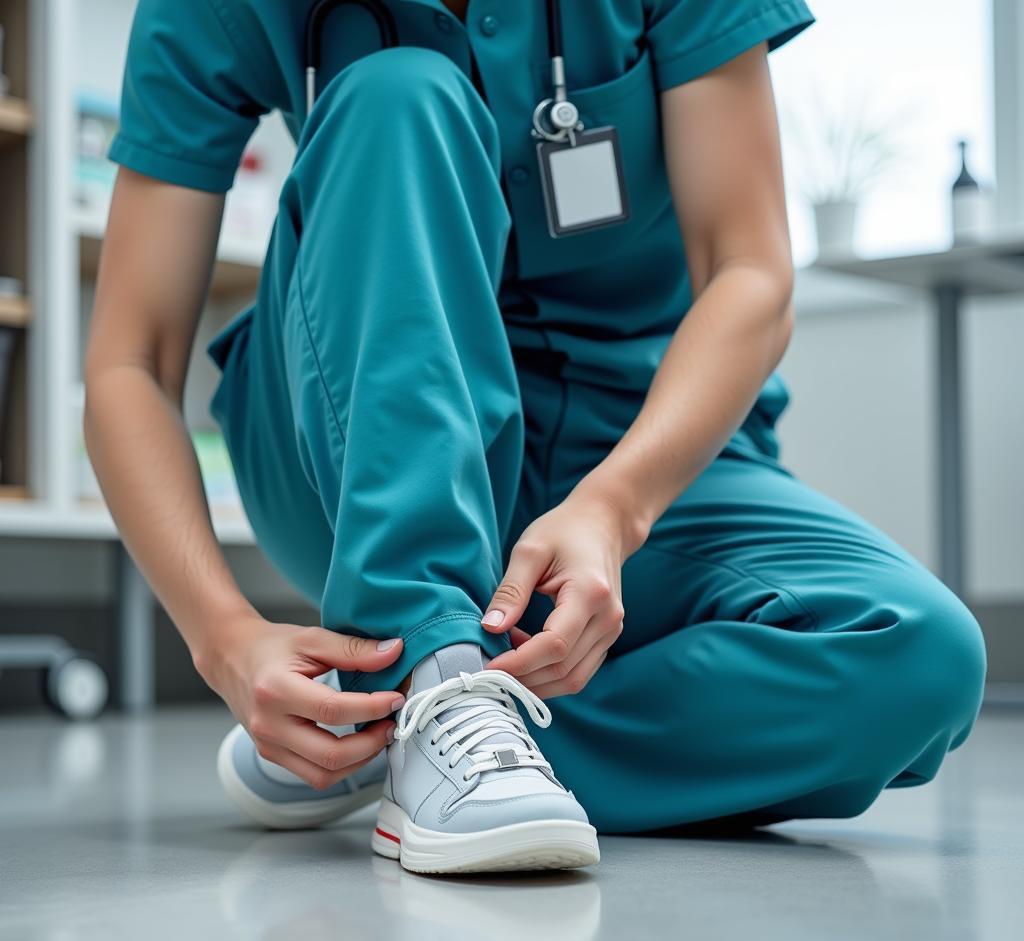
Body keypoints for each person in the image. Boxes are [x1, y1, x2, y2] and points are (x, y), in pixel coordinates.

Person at [84, 0, 986, 874]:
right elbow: (130, 363)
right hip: (354, 434)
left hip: (635, 449)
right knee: (396, 92)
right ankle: (432, 668)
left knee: (918, 657)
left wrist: (617, 503)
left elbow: (752, 271)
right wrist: (223, 637)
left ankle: (402, 729)